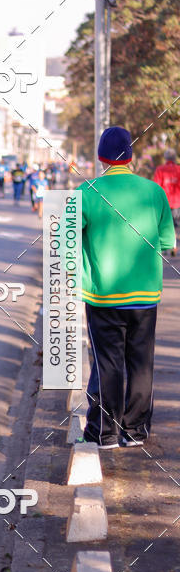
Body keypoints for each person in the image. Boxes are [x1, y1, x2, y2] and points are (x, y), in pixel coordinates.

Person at [80, 126, 176, 450]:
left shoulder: (85, 192)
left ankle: (105, 433)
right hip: (145, 295)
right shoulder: (154, 191)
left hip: (102, 295)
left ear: (101, 157)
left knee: (107, 364)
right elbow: (167, 241)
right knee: (141, 362)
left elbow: (65, 242)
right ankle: (135, 431)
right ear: (131, 157)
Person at [153, 148, 180, 256]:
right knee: (175, 226)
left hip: (164, 203)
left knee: (163, 225)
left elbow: (156, 187)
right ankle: (173, 247)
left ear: (165, 158)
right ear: (174, 158)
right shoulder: (178, 169)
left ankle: (164, 248)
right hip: (176, 202)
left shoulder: (160, 169)